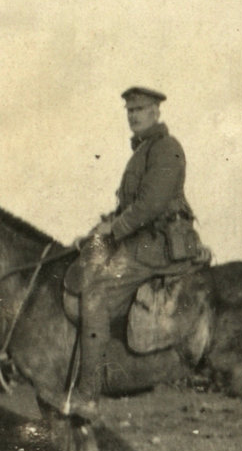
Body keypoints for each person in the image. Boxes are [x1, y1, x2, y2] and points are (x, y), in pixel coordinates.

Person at [60, 86, 206, 418]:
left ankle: (88, 394)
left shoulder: (166, 148)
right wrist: (93, 237)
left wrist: (114, 229)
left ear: (157, 111)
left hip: (160, 244)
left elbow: (151, 205)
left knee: (95, 293)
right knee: (81, 260)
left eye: (140, 110)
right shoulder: (142, 151)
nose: (134, 116)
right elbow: (127, 208)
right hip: (142, 239)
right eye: (130, 111)